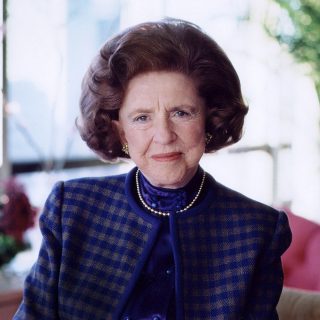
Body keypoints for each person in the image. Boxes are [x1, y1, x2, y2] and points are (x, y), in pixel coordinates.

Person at [14, 18, 292, 320]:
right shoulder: (72, 209)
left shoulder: (257, 230)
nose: (164, 135)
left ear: (209, 120)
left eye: (181, 113)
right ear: (120, 131)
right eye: (142, 118)